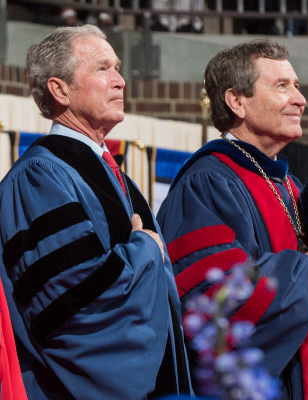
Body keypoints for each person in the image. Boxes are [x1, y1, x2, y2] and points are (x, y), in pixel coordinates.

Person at [157, 39, 308, 399]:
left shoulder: (286, 185)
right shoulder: (207, 182)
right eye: (282, 86)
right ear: (237, 102)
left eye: (297, 86)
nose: (300, 99)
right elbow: (212, 301)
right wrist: (306, 269)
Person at [0, 24, 185, 400]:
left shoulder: (117, 177)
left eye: (118, 68)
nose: (120, 81)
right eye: (103, 69)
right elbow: (70, 306)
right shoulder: (38, 178)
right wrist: (145, 251)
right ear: (60, 89)